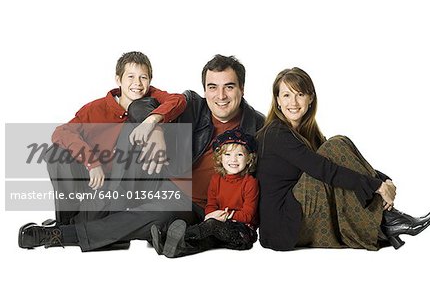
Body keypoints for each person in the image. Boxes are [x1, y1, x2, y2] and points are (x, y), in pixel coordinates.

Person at [18, 54, 265, 252]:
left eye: (228, 87)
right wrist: (155, 123)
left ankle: (63, 234)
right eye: (212, 87)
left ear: (242, 88)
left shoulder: (258, 127)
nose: (220, 96)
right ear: (204, 90)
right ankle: (94, 222)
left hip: (198, 206)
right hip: (160, 179)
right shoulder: (193, 104)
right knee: (132, 134)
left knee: (156, 217)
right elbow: (140, 105)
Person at [256, 67, 430, 251]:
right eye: (286, 95)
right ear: (277, 100)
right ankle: (389, 221)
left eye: (300, 94)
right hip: (283, 226)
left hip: (301, 216)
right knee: (336, 145)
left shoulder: (310, 133)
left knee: (336, 147)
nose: (293, 102)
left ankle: (388, 222)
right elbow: (324, 169)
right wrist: (378, 186)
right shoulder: (275, 133)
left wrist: (384, 180)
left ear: (310, 98)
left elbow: (342, 164)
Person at [18, 51, 186, 250]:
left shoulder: (152, 98)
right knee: (56, 154)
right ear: (118, 80)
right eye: (130, 77)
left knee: (129, 133)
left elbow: (179, 100)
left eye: (143, 77)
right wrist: (91, 162)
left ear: (150, 80)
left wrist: (152, 121)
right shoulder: (96, 109)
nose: (138, 84)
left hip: (129, 186)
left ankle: (76, 231)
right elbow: (61, 132)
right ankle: (66, 224)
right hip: (96, 183)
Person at [151, 128, 259, 258]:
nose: (233, 160)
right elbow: (211, 205)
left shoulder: (250, 182)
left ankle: (168, 237)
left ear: (248, 159)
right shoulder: (216, 179)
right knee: (205, 240)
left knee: (211, 225)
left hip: (241, 232)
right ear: (220, 158)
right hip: (218, 225)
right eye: (228, 155)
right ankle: (171, 248)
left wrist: (226, 216)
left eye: (239, 155)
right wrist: (211, 214)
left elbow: (248, 215)